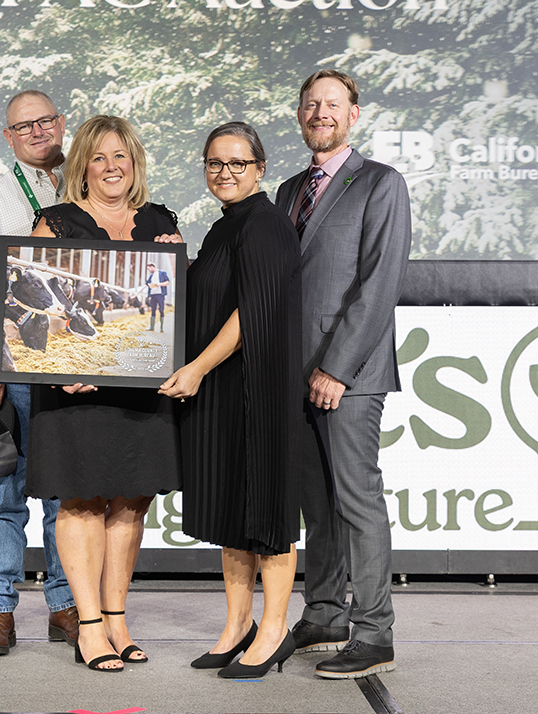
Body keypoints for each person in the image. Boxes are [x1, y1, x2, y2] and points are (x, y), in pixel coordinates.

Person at [27, 115, 182, 672]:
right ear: (82, 168)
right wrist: (53, 370)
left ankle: (118, 620)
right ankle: (88, 624)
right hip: (74, 390)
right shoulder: (57, 223)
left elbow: (173, 307)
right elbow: (30, 305)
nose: (112, 167)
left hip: (142, 388)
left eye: (121, 156)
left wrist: (177, 260)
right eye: (99, 158)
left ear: (135, 162)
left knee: (132, 500)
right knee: (82, 498)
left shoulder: (161, 221)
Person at [275, 69, 411, 679]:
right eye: (311, 104)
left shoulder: (381, 183)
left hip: (348, 373)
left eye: (333, 104)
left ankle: (375, 630)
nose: (320, 112)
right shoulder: (286, 191)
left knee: (357, 499)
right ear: (299, 114)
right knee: (318, 506)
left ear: (354, 114)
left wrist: (336, 367)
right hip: (293, 373)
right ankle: (325, 613)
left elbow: (378, 284)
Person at [159, 122, 302, 679]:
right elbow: (214, 295)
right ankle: (237, 625)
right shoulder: (224, 228)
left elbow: (250, 314)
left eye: (238, 164)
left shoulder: (266, 224)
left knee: (265, 512)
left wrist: (194, 369)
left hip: (256, 391)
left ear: (260, 169)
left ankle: (273, 631)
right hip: (224, 389)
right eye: (215, 163)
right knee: (231, 513)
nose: (225, 173)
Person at [0, 90, 79, 657]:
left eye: (44, 121)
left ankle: (67, 605)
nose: (34, 131)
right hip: (10, 371)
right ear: (7, 137)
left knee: (68, 497)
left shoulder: (89, 186)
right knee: (2, 492)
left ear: (61, 123)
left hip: (75, 370)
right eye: (21, 126)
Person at [143, 261, 170, 331]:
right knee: (153, 310)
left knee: (161, 310)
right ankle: (152, 327)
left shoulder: (162, 273)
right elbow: (147, 284)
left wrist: (159, 284)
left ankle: (161, 327)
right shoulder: (151, 276)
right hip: (153, 295)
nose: (149, 270)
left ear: (152, 267)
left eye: (149, 269)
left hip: (160, 294)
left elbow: (168, 282)